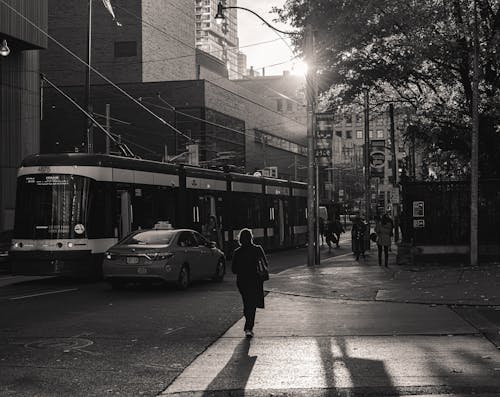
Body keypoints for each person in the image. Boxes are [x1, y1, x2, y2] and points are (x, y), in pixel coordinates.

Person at [231, 228, 268, 338]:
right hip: (255, 280)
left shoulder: (237, 252)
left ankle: (248, 327)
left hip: (242, 282)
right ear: (251, 238)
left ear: (240, 239)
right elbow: (265, 263)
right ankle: (249, 328)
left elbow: (233, 270)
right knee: (252, 305)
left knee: (247, 303)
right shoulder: (257, 249)